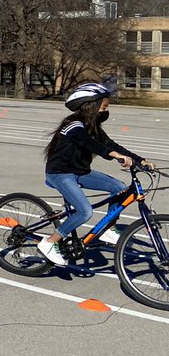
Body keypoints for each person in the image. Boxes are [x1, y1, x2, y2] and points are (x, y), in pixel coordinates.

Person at [38, 83, 154, 267]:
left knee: (119, 188)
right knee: (85, 211)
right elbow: (89, 144)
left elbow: (111, 144)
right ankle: (50, 242)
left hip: (81, 172)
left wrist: (140, 160)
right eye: (104, 107)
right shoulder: (73, 125)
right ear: (91, 105)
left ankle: (108, 229)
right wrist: (114, 156)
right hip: (60, 174)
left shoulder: (93, 127)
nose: (106, 111)